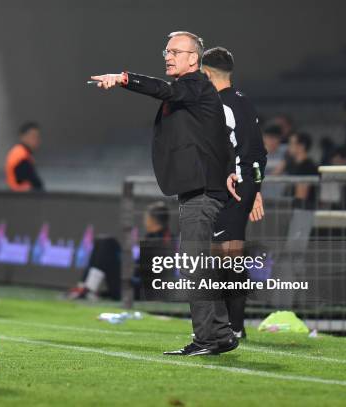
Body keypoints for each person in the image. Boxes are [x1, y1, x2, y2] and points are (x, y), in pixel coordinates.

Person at [91, 31, 238, 356]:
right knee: (198, 262)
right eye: (166, 51)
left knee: (194, 262)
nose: (168, 56)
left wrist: (124, 78)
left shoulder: (194, 84)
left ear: (193, 59)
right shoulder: (195, 91)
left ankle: (210, 338)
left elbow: (165, 90)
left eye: (175, 51)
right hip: (198, 188)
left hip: (202, 190)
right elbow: (220, 134)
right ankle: (219, 334)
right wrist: (229, 168)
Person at [202, 47, 267, 340]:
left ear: (205, 73)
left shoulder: (218, 105)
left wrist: (244, 184)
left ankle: (232, 326)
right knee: (229, 256)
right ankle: (232, 325)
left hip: (231, 187)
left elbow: (222, 151)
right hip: (245, 184)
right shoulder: (244, 101)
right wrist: (256, 189)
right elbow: (259, 152)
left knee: (224, 258)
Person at [5, 122, 44, 191]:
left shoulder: (20, 152)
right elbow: (34, 181)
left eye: (38, 137)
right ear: (22, 137)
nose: (36, 140)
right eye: (33, 136)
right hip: (22, 197)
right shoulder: (21, 156)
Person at [285, 132, 318, 209]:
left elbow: (301, 195)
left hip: (303, 210)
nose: (289, 147)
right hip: (291, 210)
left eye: (291, 143)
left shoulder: (308, 166)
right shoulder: (291, 165)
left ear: (301, 146)